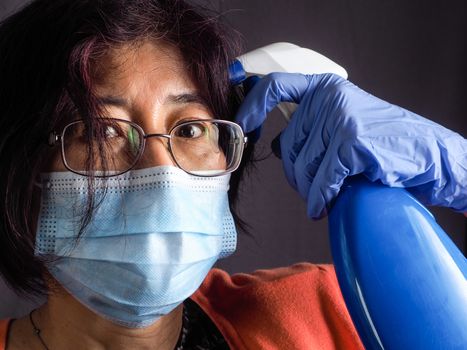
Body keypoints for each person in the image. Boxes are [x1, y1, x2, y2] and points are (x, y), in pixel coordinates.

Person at [0, 1, 465, 349]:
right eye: (103, 130)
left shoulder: (333, 310)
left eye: (191, 128)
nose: (163, 171)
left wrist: (459, 171)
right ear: (22, 174)